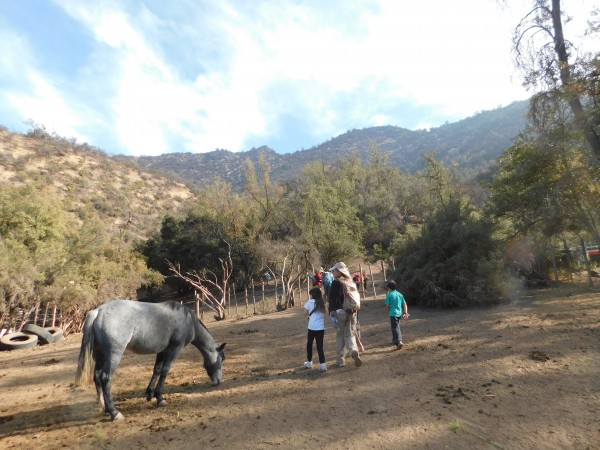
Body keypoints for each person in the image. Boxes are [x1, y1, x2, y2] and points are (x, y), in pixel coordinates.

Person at [328, 262, 362, 367]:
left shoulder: (336, 283)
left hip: (340, 312)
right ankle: (353, 351)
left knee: (340, 336)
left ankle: (340, 361)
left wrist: (331, 312)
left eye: (334, 270)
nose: (332, 272)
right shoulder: (349, 281)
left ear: (339, 271)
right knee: (350, 333)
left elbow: (331, 299)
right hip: (352, 311)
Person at [303, 287, 327, 372]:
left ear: (312, 294)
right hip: (320, 328)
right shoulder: (322, 303)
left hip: (312, 327)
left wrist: (310, 314)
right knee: (320, 346)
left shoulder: (310, 302)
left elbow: (305, 313)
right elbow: (324, 312)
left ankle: (309, 362)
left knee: (309, 345)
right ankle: (323, 364)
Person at [384, 280, 409, 349]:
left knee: (394, 328)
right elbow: (404, 304)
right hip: (399, 314)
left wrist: (388, 309)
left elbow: (387, 306)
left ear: (389, 288)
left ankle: (398, 342)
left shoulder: (389, 295)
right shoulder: (399, 294)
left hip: (393, 314)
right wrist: (405, 312)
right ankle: (395, 340)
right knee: (397, 326)